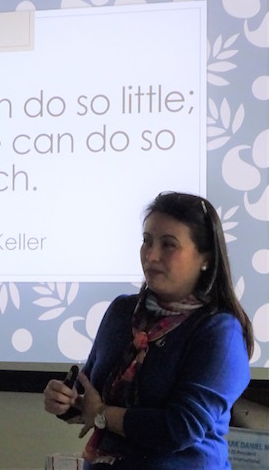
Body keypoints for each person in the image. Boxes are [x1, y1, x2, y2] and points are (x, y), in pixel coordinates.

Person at [44, 191, 254, 469]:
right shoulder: (122, 311)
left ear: (206, 258)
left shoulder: (219, 331)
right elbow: (89, 392)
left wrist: (103, 414)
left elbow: (179, 428)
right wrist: (65, 400)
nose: (151, 255)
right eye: (147, 241)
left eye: (168, 245)